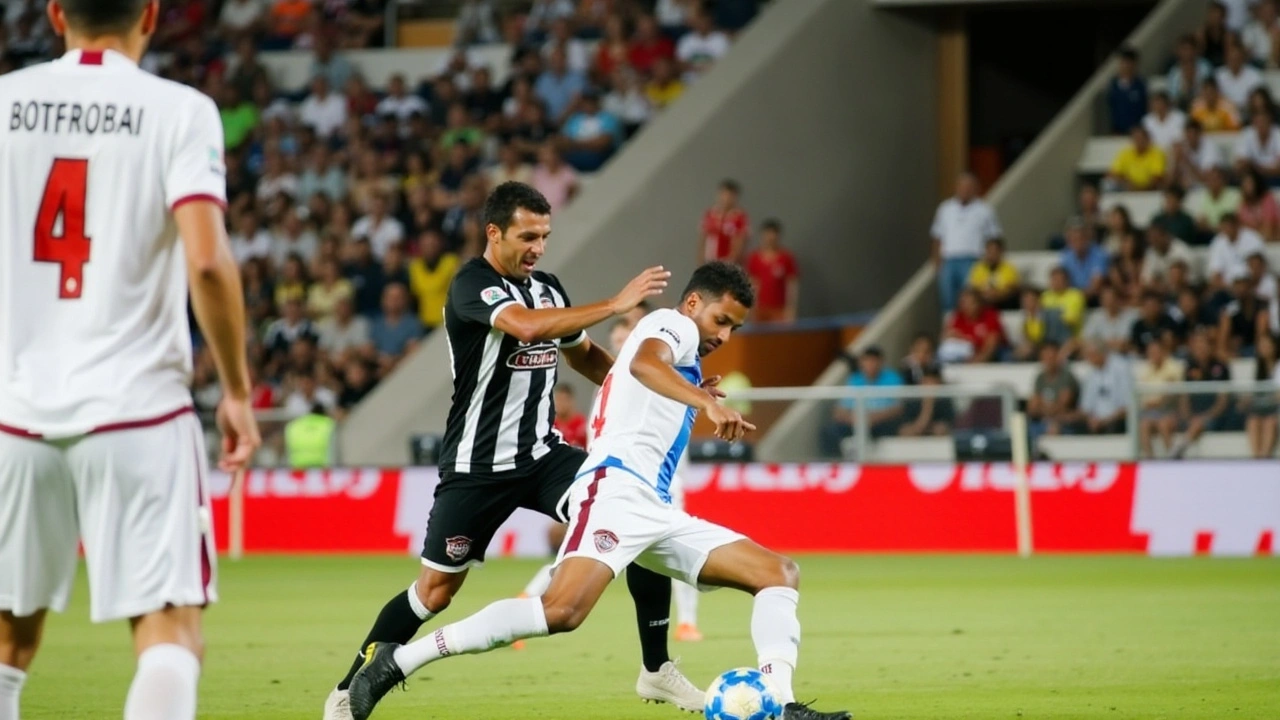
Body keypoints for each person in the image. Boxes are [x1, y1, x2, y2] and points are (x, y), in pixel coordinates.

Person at [347, 263, 852, 720]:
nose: (725, 334)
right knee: (561, 612)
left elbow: (631, 376)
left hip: (653, 509)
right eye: (722, 320)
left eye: (735, 328)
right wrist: (703, 400)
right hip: (613, 491)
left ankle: (780, 704)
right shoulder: (668, 325)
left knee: (778, 573)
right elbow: (641, 365)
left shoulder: (682, 358)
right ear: (694, 303)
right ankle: (399, 661)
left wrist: (693, 391)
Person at [322, 182, 697, 719]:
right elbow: (522, 327)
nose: (538, 248)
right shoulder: (472, 284)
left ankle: (656, 669)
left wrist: (658, 389)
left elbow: (586, 357)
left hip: (544, 457)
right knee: (434, 592)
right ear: (494, 233)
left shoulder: (549, 288)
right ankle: (346, 690)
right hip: (476, 466)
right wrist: (615, 304)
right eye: (527, 236)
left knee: (634, 513)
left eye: (544, 236)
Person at [0, 2, 262, 720]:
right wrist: (236, 388)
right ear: (151, 14)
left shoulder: (6, 103)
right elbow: (207, 262)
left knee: (8, 642)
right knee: (169, 633)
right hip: (136, 408)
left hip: (13, 414)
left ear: (55, 14)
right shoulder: (178, 110)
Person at [931, 172, 1003, 312]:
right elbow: (937, 236)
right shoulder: (945, 208)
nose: (965, 190)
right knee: (947, 298)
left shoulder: (984, 210)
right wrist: (936, 262)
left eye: (969, 187)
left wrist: (989, 258)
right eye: (962, 187)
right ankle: (950, 327)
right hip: (948, 260)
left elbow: (994, 237)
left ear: (975, 189)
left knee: (970, 297)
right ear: (956, 188)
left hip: (973, 259)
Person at [1174, 329, 1232, 459]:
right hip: (1192, 416)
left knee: (1198, 424)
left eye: (1204, 344)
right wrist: (1187, 416)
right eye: (1197, 345)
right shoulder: (1189, 367)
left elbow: (1223, 400)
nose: (1201, 348)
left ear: (1211, 346)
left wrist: (1205, 417)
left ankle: (1178, 452)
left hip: (1215, 417)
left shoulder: (1221, 367)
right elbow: (1184, 397)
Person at [1136, 341, 1187, 458]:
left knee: (1163, 423)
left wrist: (1158, 402)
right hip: (1152, 411)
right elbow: (1142, 396)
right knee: (1143, 425)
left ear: (1163, 352)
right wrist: (1152, 403)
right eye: (1150, 353)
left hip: (1171, 410)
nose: (1152, 355)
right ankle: (1150, 459)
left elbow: (1172, 393)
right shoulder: (1146, 369)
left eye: (1155, 352)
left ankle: (1172, 458)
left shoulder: (1173, 367)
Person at [744, 218, 800, 322]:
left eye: (773, 234)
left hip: (780, 310)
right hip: (760, 310)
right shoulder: (754, 258)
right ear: (763, 235)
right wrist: (751, 308)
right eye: (767, 234)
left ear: (778, 236)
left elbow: (792, 285)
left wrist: (791, 309)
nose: (770, 238)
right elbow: (752, 284)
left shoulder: (786, 258)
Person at [700, 179, 749, 265]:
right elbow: (703, 239)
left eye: (730, 195)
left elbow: (740, 243)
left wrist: (731, 262)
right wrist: (701, 261)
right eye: (724, 194)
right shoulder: (710, 214)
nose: (726, 198)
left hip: (729, 265)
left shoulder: (739, 217)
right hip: (709, 262)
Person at [967, 237, 1020, 310]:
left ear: (1001, 252)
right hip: (983, 300)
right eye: (989, 251)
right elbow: (975, 288)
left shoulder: (1009, 268)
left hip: (1003, 301)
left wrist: (997, 295)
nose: (992, 254)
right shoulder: (978, 268)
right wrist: (986, 294)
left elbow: (1012, 288)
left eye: (995, 251)